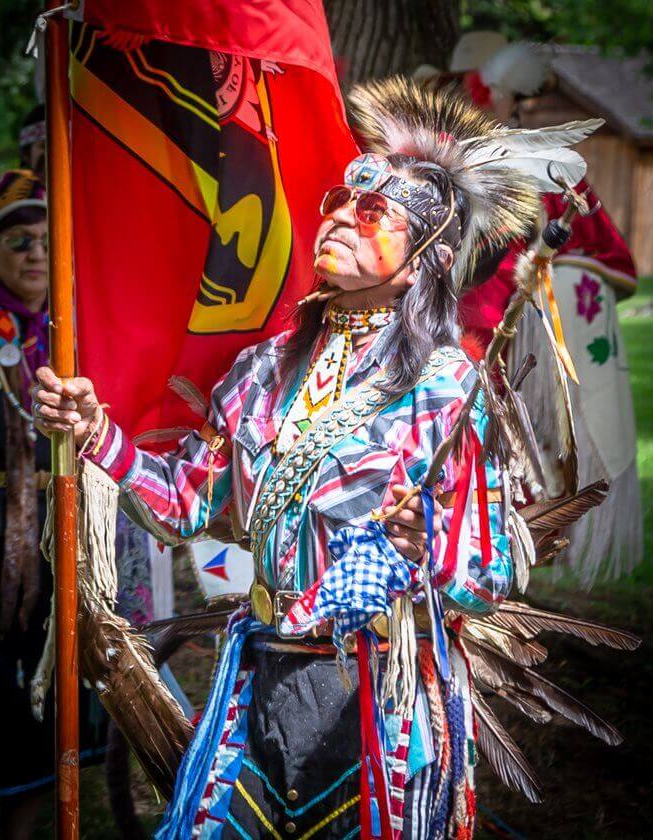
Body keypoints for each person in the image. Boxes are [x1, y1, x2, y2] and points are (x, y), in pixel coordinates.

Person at [33, 83, 612, 837]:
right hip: (256, 676)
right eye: (339, 199)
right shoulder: (262, 369)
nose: (338, 215)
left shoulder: (443, 388)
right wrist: (96, 433)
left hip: (374, 700)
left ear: (421, 264)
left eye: (372, 213)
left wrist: (426, 541)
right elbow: (183, 508)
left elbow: (491, 569)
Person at [448, 34, 642, 584]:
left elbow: (597, 244)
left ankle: (521, 526)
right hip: (461, 314)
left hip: (518, 317)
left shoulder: (551, 164)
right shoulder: (444, 154)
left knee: (527, 426)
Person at [0, 171, 107, 838]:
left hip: (57, 536)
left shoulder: (67, 333)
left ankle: (25, 819)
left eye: (44, 242)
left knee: (48, 673)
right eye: (18, 240)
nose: (34, 254)